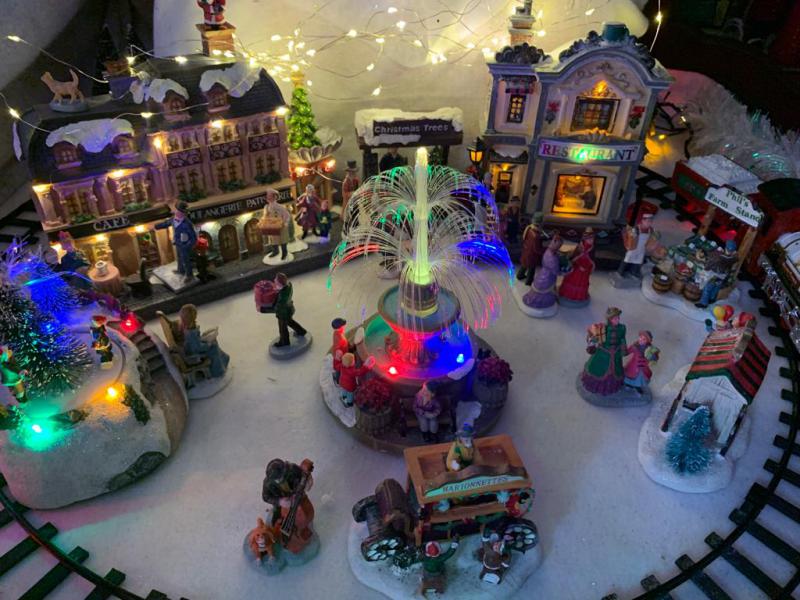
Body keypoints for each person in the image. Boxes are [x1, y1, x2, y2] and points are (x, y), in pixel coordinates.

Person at [262, 458, 316, 555]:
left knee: (303, 516)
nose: (282, 479)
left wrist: (308, 481)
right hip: (283, 504)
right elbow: (265, 497)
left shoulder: (292, 468)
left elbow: (303, 475)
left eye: (284, 475)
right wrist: (279, 501)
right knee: (278, 519)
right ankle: (279, 530)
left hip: (298, 497)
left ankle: (302, 528)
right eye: (279, 479)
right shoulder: (268, 483)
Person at [581, 307, 627, 396]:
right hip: (603, 353)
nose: (617, 320)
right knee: (598, 370)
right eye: (614, 318)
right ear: (609, 319)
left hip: (616, 353)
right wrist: (592, 339)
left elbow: (622, 339)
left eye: (618, 317)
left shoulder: (622, 328)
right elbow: (595, 337)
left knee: (616, 370)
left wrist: (624, 349)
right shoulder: (603, 328)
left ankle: (611, 386)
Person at [178, 304, 230, 377]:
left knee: (213, 342)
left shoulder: (186, 327)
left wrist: (204, 338)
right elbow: (198, 348)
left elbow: (195, 342)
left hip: (192, 347)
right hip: (193, 353)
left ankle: (223, 361)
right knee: (214, 347)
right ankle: (218, 371)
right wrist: (208, 344)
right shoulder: (191, 332)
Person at [155, 201, 197, 280]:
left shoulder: (187, 223)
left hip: (184, 244)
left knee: (185, 259)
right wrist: (156, 226)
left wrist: (188, 245)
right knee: (179, 257)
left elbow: (193, 236)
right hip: (178, 242)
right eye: (177, 210)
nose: (177, 212)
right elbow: (166, 223)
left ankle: (189, 275)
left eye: (180, 211)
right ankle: (180, 270)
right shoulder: (174, 219)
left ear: (184, 213)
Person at [522, 234, 562, 311]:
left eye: (559, 245)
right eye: (557, 245)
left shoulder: (549, 251)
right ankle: (540, 302)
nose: (558, 247)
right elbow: (555, 270)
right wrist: (563, 272)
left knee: (545, 287)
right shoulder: (551, 257)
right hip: (548, 276)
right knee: (544, 287)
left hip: (544, 273)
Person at [617, 212, 661, 279]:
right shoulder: (636, 229)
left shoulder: (651, 230)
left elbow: (652, 238)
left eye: (651, 221)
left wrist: (655, 238)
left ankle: (633, 272)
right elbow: (629, 236)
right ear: (643, 221)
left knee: (638, 262)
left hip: (641, 249)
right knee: (627, 260)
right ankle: (620, 272)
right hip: (633, 248)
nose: (649, 223)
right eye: (648, 221)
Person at [558, 228, 595, 306]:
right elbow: (574, 258)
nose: (591, 241)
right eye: (589, 239)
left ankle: (578, 296)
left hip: (585, 270)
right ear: (585, 239)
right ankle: (568, 294)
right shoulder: (580, 247)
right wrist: (579, 265)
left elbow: (592, 260)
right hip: (577, 268)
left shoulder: (592, 248)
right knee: (573, 280)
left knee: (582, 282)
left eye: (592, 239)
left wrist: (588, 267)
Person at [273, 272, 307, 348]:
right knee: (290, 322)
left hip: (283, 314)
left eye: (276, 280)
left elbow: (278, 308)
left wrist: (264, 309)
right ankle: (301, 331)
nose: (274, 280)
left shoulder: (282, 297)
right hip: (289, 309)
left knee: (283, 328)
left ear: (280, 283)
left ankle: (284, 341)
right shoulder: (289, 285)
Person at [260, 189, 292, 261]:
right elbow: (265, 216)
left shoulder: (280, 207)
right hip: (272, 226)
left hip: (281, 225)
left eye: (270, 197)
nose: (268, 199)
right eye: (267, 197)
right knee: (273, 239)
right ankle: (275, 251)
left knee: (283, 239)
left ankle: (284, 252)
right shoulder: (266, 207)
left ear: (275, 197)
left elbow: (287, 215)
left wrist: (286, 223)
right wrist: (264, 221)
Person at [517, 212, 547, 286]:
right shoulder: (536, 235)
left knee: (524, 265)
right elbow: (537, 249)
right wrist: (546, 249)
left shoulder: (529, 228)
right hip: (532, 256)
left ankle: (520, 275)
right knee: (531, 270)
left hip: (526, 251)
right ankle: (529, 282)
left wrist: (546, 237)